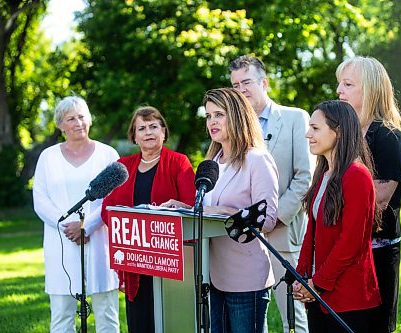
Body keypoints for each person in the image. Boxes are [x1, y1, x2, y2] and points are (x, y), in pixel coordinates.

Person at [163, 88, 279, 333]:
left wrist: (228, 211)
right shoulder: (212, 164)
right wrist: (185, 209)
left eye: (219, 114)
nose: (212, 122)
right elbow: (209, 211)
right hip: (212, 275)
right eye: (208, 116)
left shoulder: (256, 160)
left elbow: (267, 220)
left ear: (236, 116)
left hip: (245, 277)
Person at [229, 55, 312, 333]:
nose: (241, 90)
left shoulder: (295, 118)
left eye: (247, 82)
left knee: (294, 314)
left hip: (282, 234)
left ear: (264, 83)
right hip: (243, 241)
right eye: (235, 84)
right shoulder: (233, 129)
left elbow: (305, 178)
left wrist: (273, 218)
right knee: (252, 315)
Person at [100, 106, 196, 333]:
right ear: (134, 136)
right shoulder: (123, 166)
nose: (148, 132)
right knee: (139, 320)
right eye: (141, 128)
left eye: (153, 126)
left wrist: (178, 207)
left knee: (169, 319)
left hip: (169, 256)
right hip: (136, 257)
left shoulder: (179, 162)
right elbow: (107, 209)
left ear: (164, 131)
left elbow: (193, 205)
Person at [33, 96, 120, 333]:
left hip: (99, 238)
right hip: (61, 240)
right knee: (62, 313)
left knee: (107, 312)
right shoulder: (48, 157)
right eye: (71, 118)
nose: (78, 122)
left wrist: (87, 226)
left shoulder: (107, 154)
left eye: (82, 116)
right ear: (61, 125)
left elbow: (114, 198)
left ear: (90, 119)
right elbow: (40, 199)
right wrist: (67, 224)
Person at [293, 100, 380, 333]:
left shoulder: (357, 175)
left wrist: (318, 283)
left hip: (348, 298)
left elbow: (350, 242)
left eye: (315, 128)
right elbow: (310, 231)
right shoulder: (323, 174)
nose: (307, 134)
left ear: (338, 131)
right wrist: (302, 276)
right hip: (318, 293)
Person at [336, 56, 401, 333]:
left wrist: (335, 204)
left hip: (376, 248)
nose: (339, 91)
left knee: (374, 325)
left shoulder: (388, 135)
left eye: (347, 84)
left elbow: (379, 198)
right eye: (339, 84)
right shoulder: (345, 134)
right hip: (345, 245)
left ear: (370, 89)